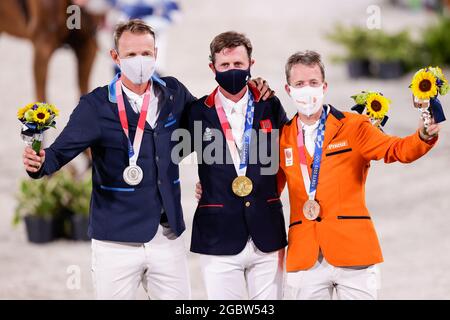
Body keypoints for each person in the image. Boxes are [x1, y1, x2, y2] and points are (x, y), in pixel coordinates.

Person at [22, 19, 272, 300]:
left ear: (155, 53)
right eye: (130, 55)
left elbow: (212, 120)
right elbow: (57, 154)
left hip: (167, 239)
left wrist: (252, 89)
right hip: (115, 242)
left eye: (146, 53)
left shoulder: (174, 93)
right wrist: (39, 163)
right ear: (115, 57)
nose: (139, 60)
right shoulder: (95, 106)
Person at [278, 50, 441, 300]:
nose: (306, 89)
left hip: (354, 252)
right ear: (288, 90)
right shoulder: (282, 138)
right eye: (299, 84)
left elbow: (395, 150)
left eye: (313, 82)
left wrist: (423, 136)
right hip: (305, 254)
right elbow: (266, 189)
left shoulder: (353, 126)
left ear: (324, 86)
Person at [186, 31, 288, 300]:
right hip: (216, 232)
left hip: (266, 230)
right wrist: (207, 184)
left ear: (251, 64)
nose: (232, 70)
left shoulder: (269, 105)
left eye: (239, 65)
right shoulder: (197, 112)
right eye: (225, 65)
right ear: (213, 68)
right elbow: (166, 153)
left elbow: (291, 152)